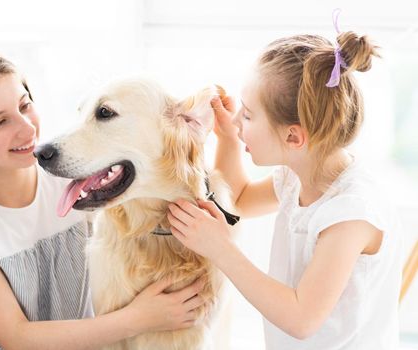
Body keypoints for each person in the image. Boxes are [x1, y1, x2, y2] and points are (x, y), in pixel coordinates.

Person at [0, 44, 206, 350]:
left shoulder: (77, 182)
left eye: (25, 105)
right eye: (0, 122)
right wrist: (138, 319)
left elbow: (179, 183)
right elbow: (17, 338)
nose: (27, 128)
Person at [167, 28, 403, 349]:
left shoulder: (350, 213)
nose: (237, 119)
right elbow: (240, 199)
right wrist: (228, 139)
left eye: (247, 115)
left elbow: (301, 318)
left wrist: (221, 249)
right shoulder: (300, 174)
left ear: (293, 137)